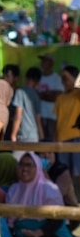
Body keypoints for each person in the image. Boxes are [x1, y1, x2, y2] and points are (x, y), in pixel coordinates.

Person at [4, 152, 74, 237]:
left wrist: (39, 233)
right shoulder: (14, 189)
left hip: (53, 236)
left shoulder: (49, 188)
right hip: (24, 235)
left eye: (29, 165)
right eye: (21, 165)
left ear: (38, 168)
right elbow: (10, 220)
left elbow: (57, 219)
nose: (24, 169)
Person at [53, 65, 80, 193]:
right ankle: (71, 202)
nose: (64, 81)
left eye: (66, 78)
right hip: (61, 140)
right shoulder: (60, 97)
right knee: (65, 174)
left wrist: (68, 73)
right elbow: (56, 121)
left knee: (78, 172)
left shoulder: (77, 94)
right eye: (62, 78)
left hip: (77, 138)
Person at [10, 66, 44, 145]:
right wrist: (42, 136)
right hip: (34, 135)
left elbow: (18, 115)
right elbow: (38, 119)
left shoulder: (20, 92)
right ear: (38, 82)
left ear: (25, 78)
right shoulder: (36, 96)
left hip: (24, 135)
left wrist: (13, 135)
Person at [36, 53, 64, 139]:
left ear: (51, 63)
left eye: (45, 60)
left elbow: (57, 97)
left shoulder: (56, 78)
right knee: (42, 141)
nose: (43, 62)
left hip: (52, 116)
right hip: (40, 116)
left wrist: (41, 95)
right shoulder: (38, 77)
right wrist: (48, 94)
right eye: (42, 60)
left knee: (52, 141)